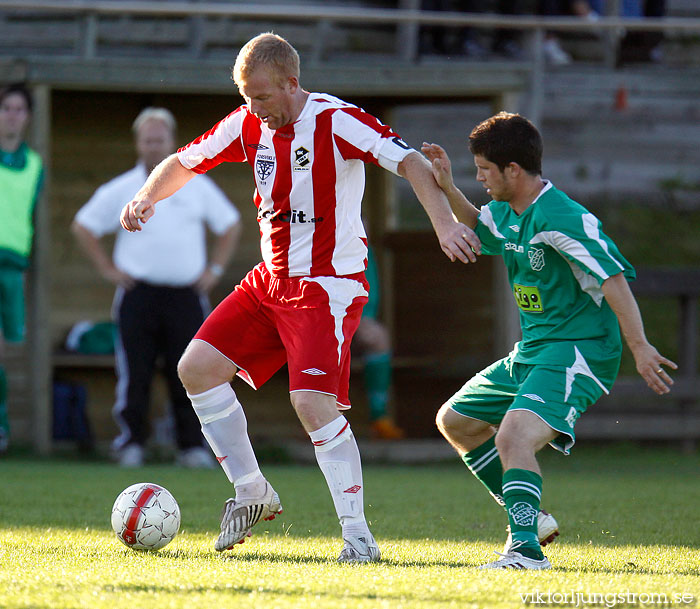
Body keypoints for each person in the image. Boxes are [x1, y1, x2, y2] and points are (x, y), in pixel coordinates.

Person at [120, 32, 479, 562]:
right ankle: (251, 491)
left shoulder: (337, 121)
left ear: (292, 83)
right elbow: (184, 160)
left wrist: (444, 223)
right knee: (196, 368)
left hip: (327, 286)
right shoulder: (248, 124)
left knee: (311, 402)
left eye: (262, 97)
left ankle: (358, 537)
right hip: (270, 281)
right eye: (246, 98)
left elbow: (411, 164)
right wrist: (146, 195)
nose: (254, 109)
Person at [422, 112, 676, 569]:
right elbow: (484, 232)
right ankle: (530, 518)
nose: (478, 177)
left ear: (513, 171)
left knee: (514, 435)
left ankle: (525, 549)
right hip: (535, 349)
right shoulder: (507, 209)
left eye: (483, 169)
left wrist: (639, 346)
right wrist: (448, 188)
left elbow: (613, 279)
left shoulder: (565, 217)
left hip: (581, 349)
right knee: (456, 422)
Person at [72, 107, 242, 468]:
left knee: (191, 372)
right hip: (139, 296)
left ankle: (192, 447)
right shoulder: (120, 189)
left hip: (186, 297)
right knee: (135, 373)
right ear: (139, 143)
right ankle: (131, 443)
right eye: (148, 140)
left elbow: (230, 224)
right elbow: (83, 225)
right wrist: (107, 268)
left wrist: (214, 269)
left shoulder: (197, 186)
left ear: (170, 142)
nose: (153, 146)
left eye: (160, 140)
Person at [0, 83, 44, 455]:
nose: (12, 116)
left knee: (6, 350)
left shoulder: (34, 164)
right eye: (6, 108)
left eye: (18, 109)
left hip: (13, 265)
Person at [352, 245, 404, 440]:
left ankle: (379, 418)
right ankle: (317, 422)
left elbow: (369, 291)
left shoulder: (363, 248)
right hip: (322, 317)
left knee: (378, 337)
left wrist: (361, 318)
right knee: (323, 342)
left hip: (355, 319)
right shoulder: (323, 241)